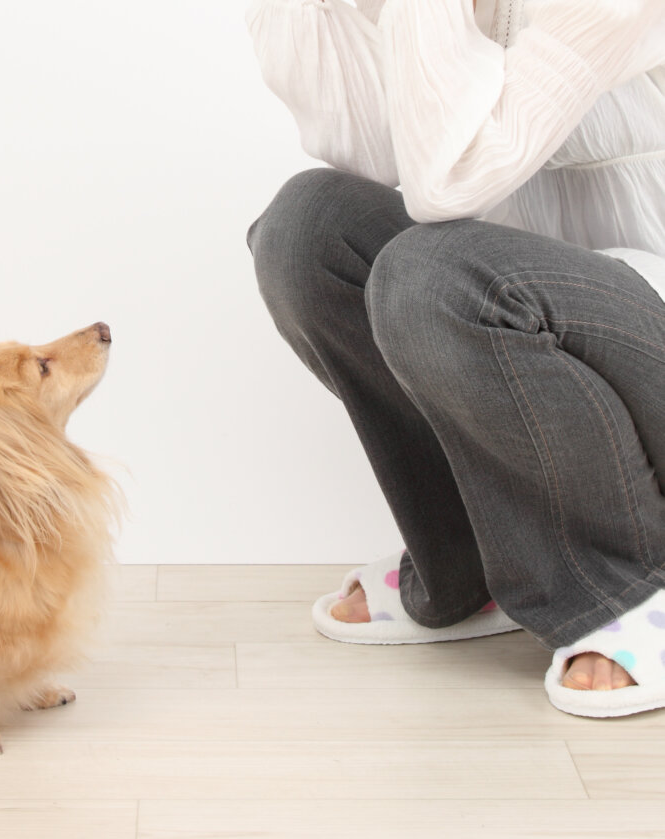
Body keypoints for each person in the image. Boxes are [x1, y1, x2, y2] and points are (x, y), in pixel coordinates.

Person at [245, 0, 665, 717]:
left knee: (432, 275)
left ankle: (631, 584)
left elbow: (444, 186)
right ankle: (474, 563)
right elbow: (377, 155)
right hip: (550, 308)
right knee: (307, 231)